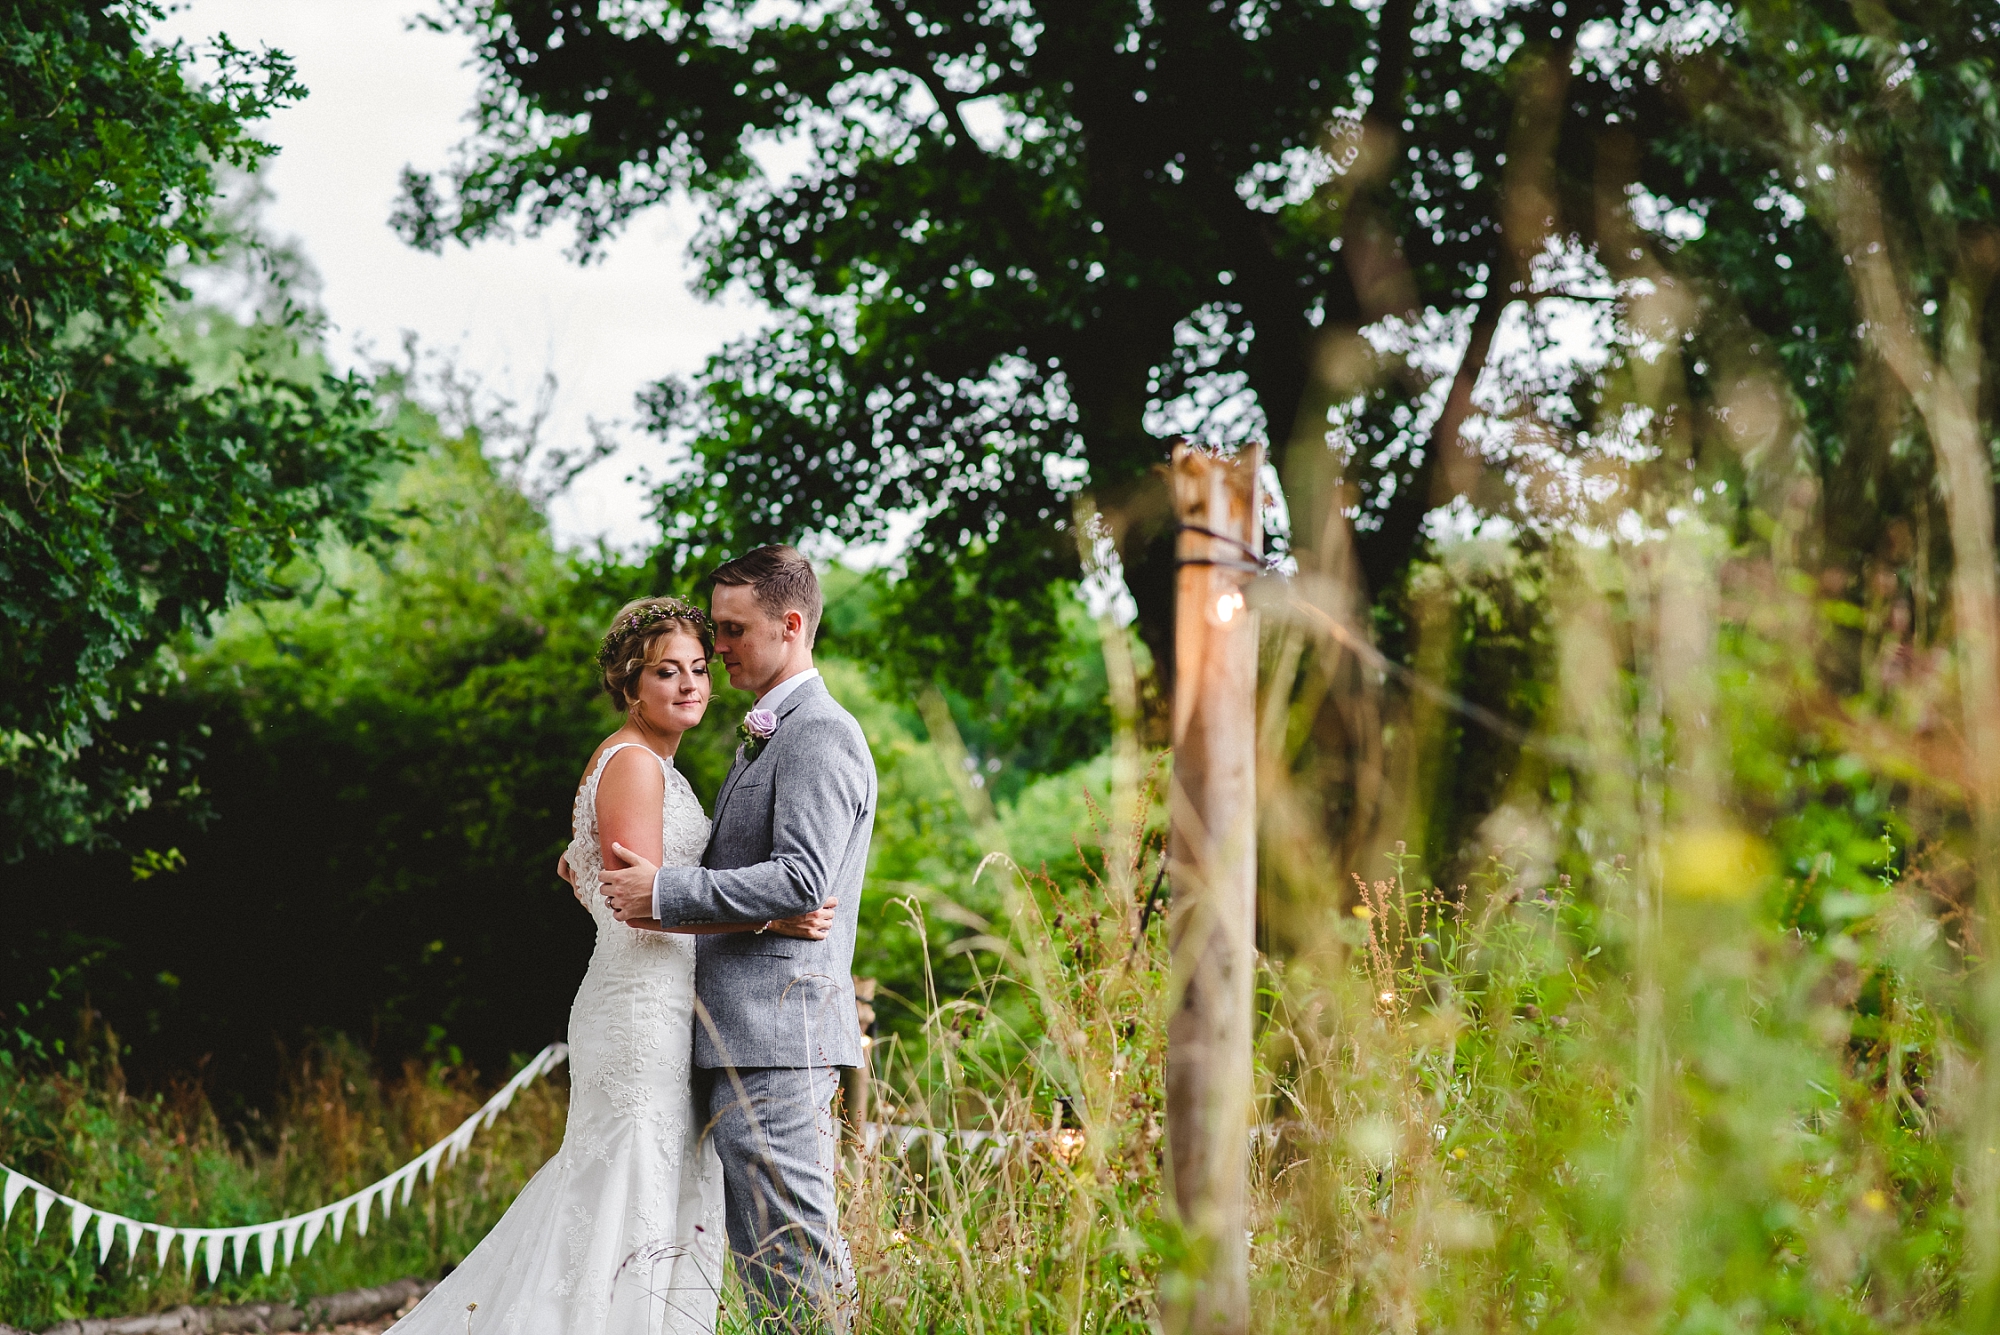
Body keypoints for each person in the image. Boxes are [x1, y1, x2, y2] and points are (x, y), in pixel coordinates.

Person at [390, 597, 836, 1335]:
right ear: (631, 685)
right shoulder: (633, 762)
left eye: (699, 667)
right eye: (667, 671)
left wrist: (586, 870)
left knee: (649, 1191)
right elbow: (643, 902)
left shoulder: (647, 762)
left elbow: (606, 878)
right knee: (627, 1188)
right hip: (641, 1008)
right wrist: (772, 914)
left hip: (658, 998)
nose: (691, 683)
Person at [600, 546, 875, 1333]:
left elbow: (802, 879)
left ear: (790, 625)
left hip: (779, 1034)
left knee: (796, 1258)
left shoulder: (820, 733)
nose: (718, 648)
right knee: (765, 1265)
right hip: (743, 1036)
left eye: (731, 629)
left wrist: (663, 891)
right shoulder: (768, 732)